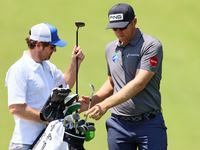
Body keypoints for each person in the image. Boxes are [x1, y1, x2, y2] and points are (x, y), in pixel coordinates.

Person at [78, 3, 167, 150]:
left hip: (149, 124)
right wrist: (94, 101)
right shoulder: (110, 48)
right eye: (114, 28)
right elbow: (112, 82)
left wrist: (105, 105)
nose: (118, 32)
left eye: (123, 27)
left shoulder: (151, 45)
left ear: (134, 22)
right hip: (118, 125)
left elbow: (139, 83)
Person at [5, 23, 85, 150]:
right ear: (38, 44)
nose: (55, 50)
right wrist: (46, 118)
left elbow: (65, 85)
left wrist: (75, 63)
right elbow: (16, 108)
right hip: (25, 143)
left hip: (48, 141)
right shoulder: (19, 69)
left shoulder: (48, 67)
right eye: (52, 46)